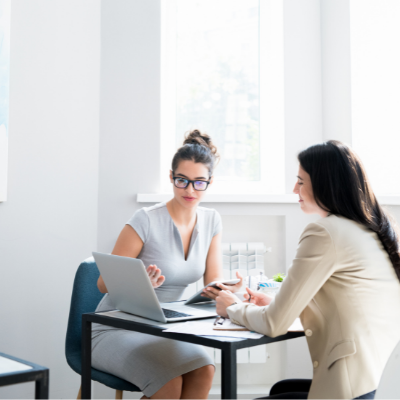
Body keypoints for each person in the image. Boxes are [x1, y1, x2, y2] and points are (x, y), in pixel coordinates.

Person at [211, 140, 400, 399]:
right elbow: (345, 307)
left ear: (324, 183)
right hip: (380, 384)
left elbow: (274, 323)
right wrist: (273, 303)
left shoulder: (325, 232)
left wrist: (232, 306)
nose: (294, 189)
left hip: (351, 391)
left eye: (300, 181)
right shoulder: (370, 230)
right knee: (282, 389)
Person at [92, 130, 243, 400]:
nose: (189, 190)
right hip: (117, 327)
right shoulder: (146, 219)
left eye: (199, 183)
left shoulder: (211, 220)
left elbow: (212, 282)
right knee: (168, 381)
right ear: (171, 177)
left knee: (204, 369)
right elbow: (102, 283)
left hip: (165, 326)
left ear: (209, 182)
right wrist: (139, 283)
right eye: (181, 180)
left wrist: (225, 290)